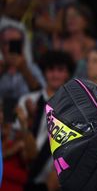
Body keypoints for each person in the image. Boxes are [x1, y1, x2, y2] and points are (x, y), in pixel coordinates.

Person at [16, 51, 75, 191]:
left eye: (60, 70)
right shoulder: (27, 100)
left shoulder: (73, 107)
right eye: (51, 70)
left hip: (54, 178)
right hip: (22, 172)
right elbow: (17, 138)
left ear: (68, 73)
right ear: (44, 72)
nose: (55, 75)